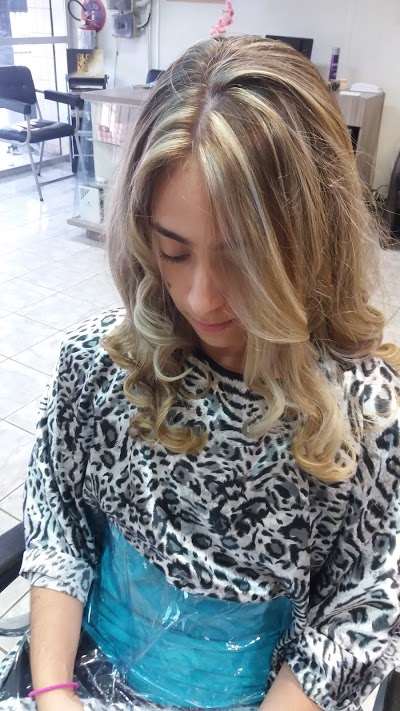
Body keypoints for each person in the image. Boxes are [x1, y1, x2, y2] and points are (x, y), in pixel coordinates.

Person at [0, 34, 399, 711]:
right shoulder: (101, 365)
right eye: (174, 251)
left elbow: (352, 624)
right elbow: (58, 521)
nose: (201, 299)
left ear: (311, 243)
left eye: (243, 260)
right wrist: (56, 694)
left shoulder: (365, 418)